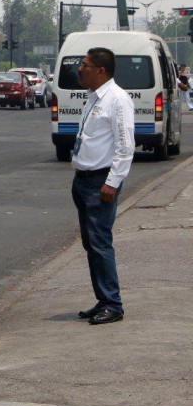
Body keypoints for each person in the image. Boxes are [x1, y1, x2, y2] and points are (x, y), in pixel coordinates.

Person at [72, 47, 135, 325]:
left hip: (101, 182)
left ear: (100, 70)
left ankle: (113, 303)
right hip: (84, 181)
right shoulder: (94, 98)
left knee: (100, 243)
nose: (79, 69)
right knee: (91, 243)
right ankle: (103, 299)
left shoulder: (117, 100)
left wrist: (112, 182)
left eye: (84, 65)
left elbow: (125, 147)